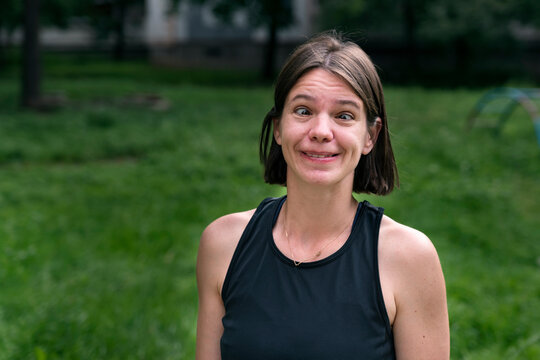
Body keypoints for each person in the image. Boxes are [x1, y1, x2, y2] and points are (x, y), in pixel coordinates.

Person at [196, 32, 449, 360]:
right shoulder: (223, 244)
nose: (320, 131)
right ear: (278, 128)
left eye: (344, 116)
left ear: (370, 136)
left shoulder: (409, 258)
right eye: (303, 111)